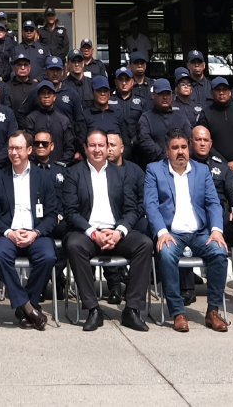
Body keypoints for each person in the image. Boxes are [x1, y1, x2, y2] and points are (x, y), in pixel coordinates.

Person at [62, 130, 152, 332]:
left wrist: (119, 231)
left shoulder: (121, 173)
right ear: (85, 148)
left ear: (107, 148)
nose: (97, 150)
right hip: (87, 233)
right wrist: (94, 233)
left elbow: (131, 210)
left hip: (115, 232)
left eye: (101, 145)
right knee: (74, 245)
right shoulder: (73, 173)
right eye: (92, 145)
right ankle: (93, 309)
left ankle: (132, 310)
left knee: (144, 244)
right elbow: (71, 212)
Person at [143, 128, 230, 333]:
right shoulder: (154, 170)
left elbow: (213, 203)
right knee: (166, 255)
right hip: (171, 233)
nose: (180, 152)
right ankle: (178, 313)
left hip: (200, 233)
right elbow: (151, 205)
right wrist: (162, 232)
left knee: (219, 252)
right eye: (175, 148)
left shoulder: (201, 171)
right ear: (167, 150)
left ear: (189, 148)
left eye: (183, 147)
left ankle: (213, 312)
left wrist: (216, 230)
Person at [0, 130, 59, 330]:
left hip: (36, 233)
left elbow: (53, 214)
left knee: (48, 256)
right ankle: (28, 307)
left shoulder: (43, 177)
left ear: (29, 149)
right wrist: (9, 232)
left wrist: (36, 233)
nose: (14, 152)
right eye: (11, 148)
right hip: (8, 234)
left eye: (18, 148)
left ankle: (25, 307)